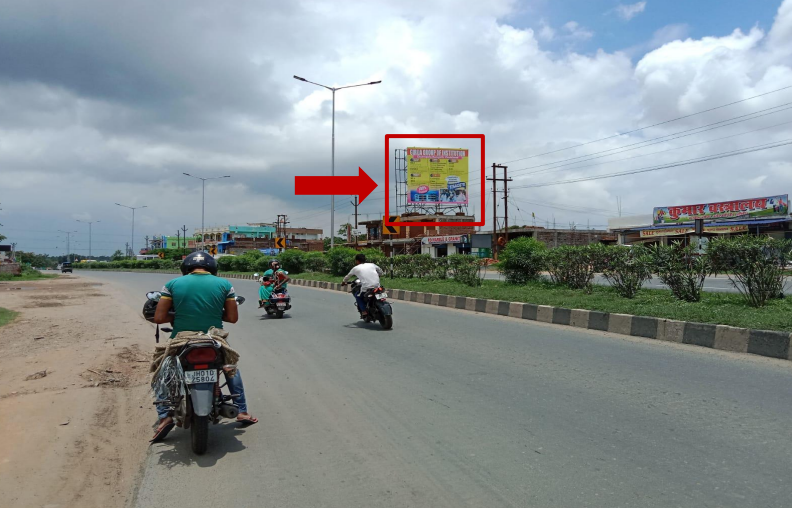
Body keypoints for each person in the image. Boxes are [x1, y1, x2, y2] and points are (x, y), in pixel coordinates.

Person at [150, 252, 258, 442]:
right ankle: (241, 411)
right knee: (230, 367)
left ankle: (164, 415)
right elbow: (232, 318)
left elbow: (159, 318)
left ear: (186, 268)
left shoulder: (172, 285)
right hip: (213, 339)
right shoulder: (225, 285)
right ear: (212, 268)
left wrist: (180, 315)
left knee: (162, 369)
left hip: (182, 339)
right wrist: (215, 312)